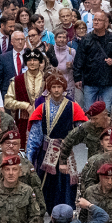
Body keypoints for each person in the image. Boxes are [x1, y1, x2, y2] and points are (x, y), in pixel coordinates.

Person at [26, 72, 87, 213]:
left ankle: (65, 210)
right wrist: (30, 156)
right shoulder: (42, 108)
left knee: (65, 183)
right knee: (46, 182)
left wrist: (71, 140)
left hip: (65, 151)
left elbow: (83, 130)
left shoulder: (73, 106)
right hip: (46, 151)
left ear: (64, 88)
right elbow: (35, 135)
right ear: (49, 88)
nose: (56, 90)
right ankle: (44, 208)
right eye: (53, 87)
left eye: (59, 87)